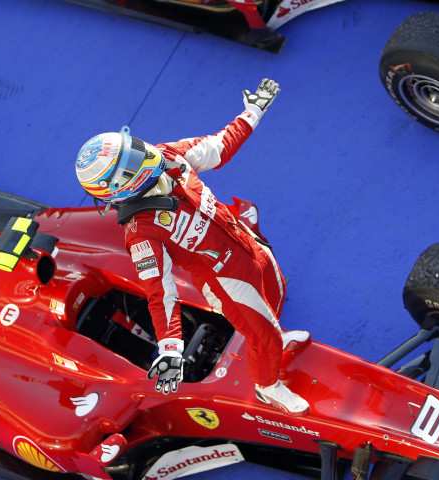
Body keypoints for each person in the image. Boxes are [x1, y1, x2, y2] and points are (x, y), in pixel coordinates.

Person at [75, 79, 310, 416]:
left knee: (275, 290)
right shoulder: (140, 233)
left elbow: (218, 146)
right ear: (117, 186)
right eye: (130, 162)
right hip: (225, 279)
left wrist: (253, 112)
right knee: (261, 334)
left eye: (133, 148)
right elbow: (160, 292)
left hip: (247, 243)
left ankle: (275, 336)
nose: (143, 155)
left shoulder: (168, 155)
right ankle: (267, 386)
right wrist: (170, 349)